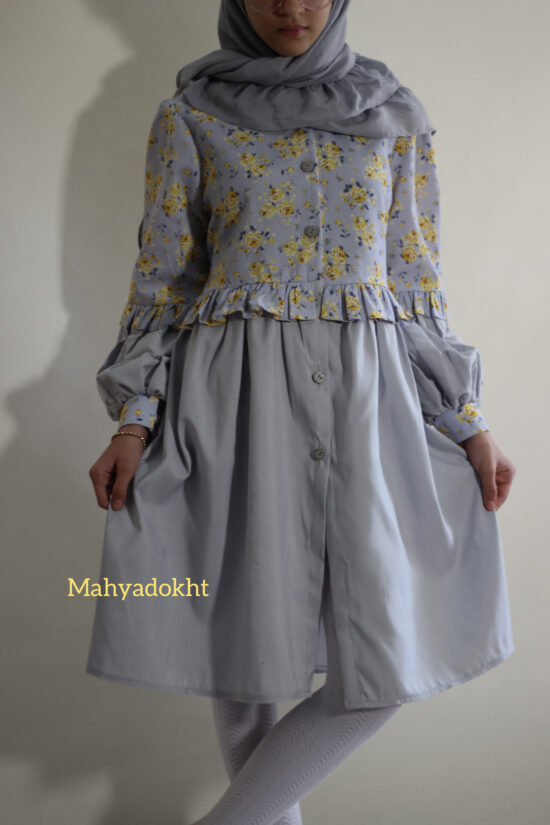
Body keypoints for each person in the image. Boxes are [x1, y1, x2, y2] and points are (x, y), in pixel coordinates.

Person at [87, 1, 516, 822]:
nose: (292, 7)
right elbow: (164, 282)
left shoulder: (394, 114)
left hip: (369, 405)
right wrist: (133, 419)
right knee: (243, 655)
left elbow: (416, 280)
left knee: (386, 660)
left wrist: (467, 418)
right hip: (231, 404)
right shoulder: (189, 115)